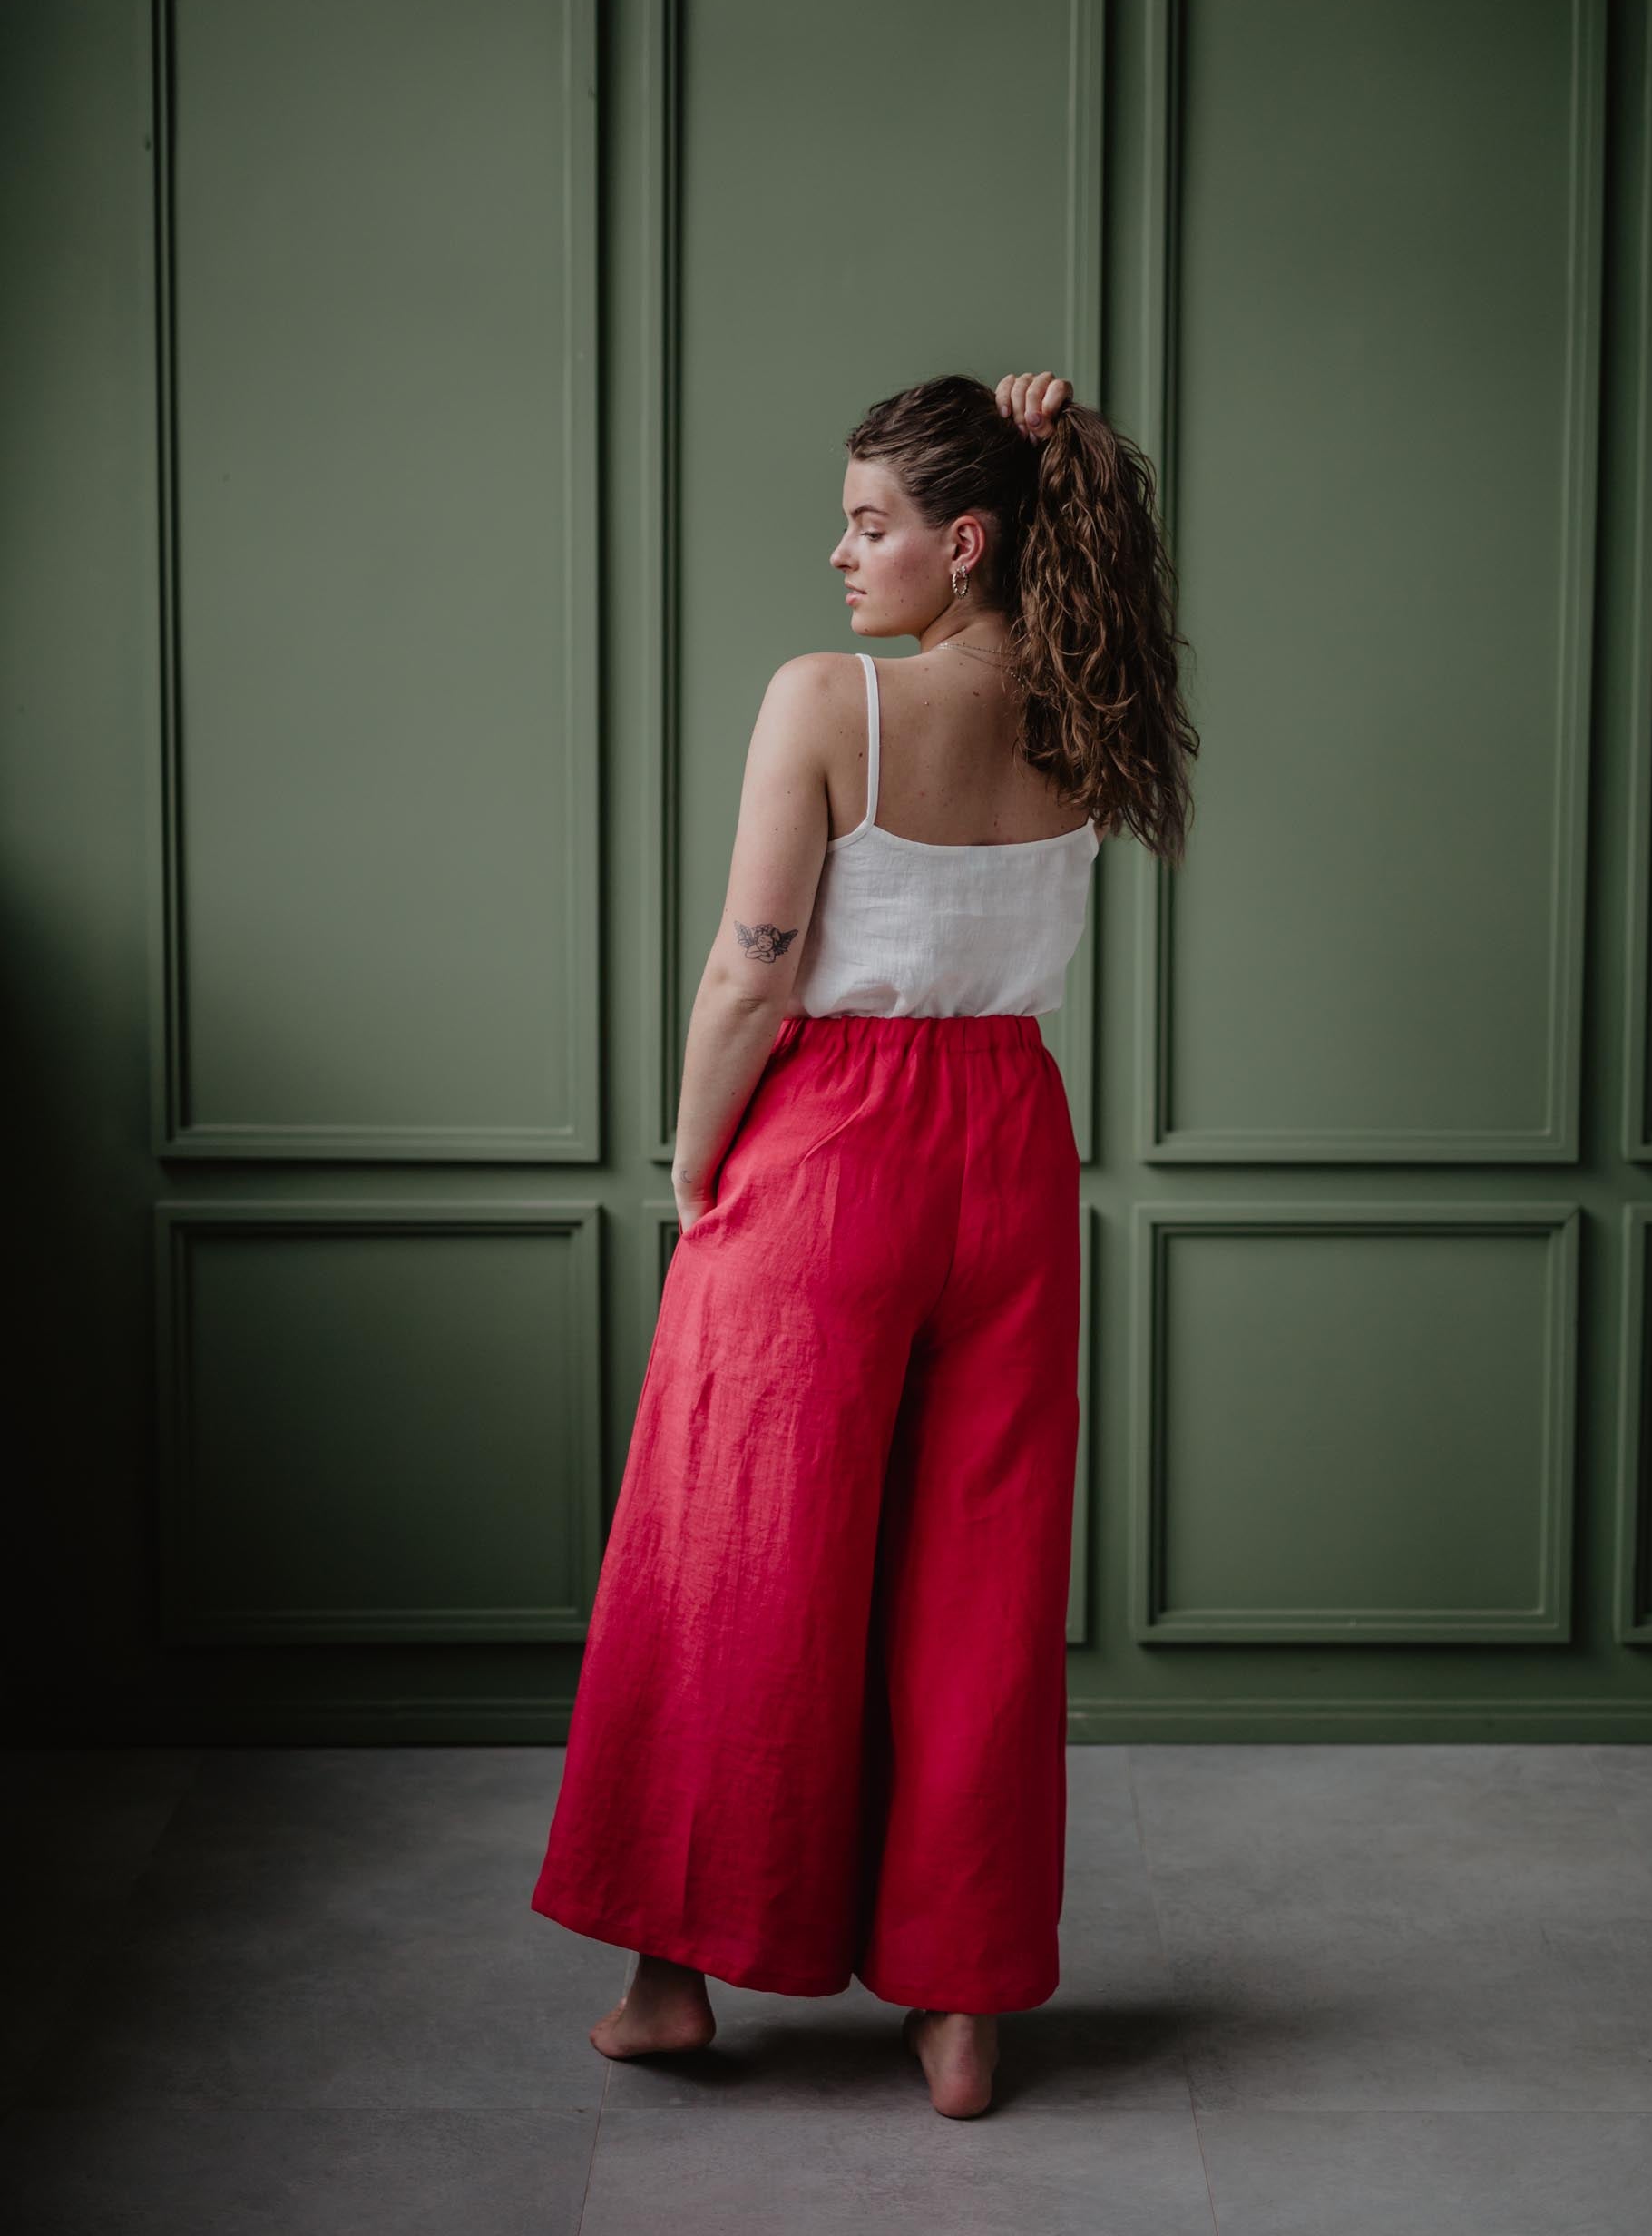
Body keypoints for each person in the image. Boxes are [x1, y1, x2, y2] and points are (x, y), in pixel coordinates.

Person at [530, 367, 1198, 2118]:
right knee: (980, 1586)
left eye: (875, 523)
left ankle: (674, 1985)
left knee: (734, 1552)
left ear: (963, 540)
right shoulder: (1091, 705)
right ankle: (963, 2014)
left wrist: (695, 1168)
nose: (841, 553)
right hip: (1012, 1143)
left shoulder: (830, 699)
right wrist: (1042, 423)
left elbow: (754, 964)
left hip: (834, 1142)